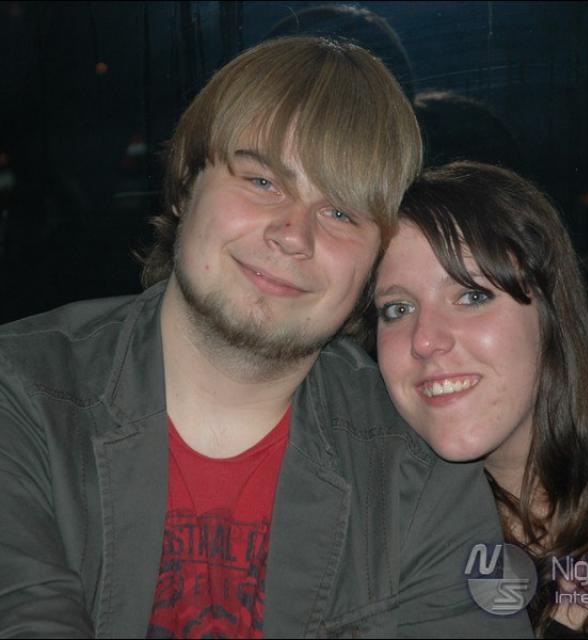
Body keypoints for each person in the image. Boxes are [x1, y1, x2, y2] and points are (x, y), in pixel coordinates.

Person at [0, 39, 532, 638]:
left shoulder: (417, 476)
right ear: (186, 186)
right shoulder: (23, 395)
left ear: (372, 267)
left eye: (341, 213)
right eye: (262, 181)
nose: (294, 235)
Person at [374, 160, 588, 638]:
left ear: (551, 312)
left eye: (472, 295)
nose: (425, 340)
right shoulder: (389, 549)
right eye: (398, 308)